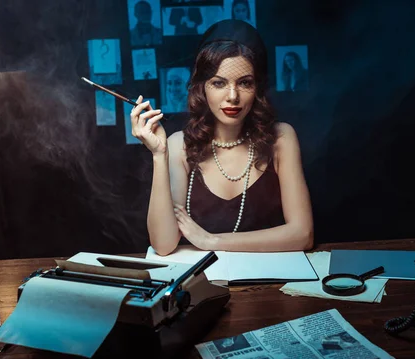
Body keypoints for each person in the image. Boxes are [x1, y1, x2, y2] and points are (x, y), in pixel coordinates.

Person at [131, 20, 313, 255]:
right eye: (219, 83)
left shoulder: (281, 138)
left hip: (271, 286)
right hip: (204, 287)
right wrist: (158, 154)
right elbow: (163, 245)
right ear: (202, 87)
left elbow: (303, 235)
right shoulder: (178, 145)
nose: (232, 96)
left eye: (245, 83)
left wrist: (211, 241)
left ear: (257, 87)